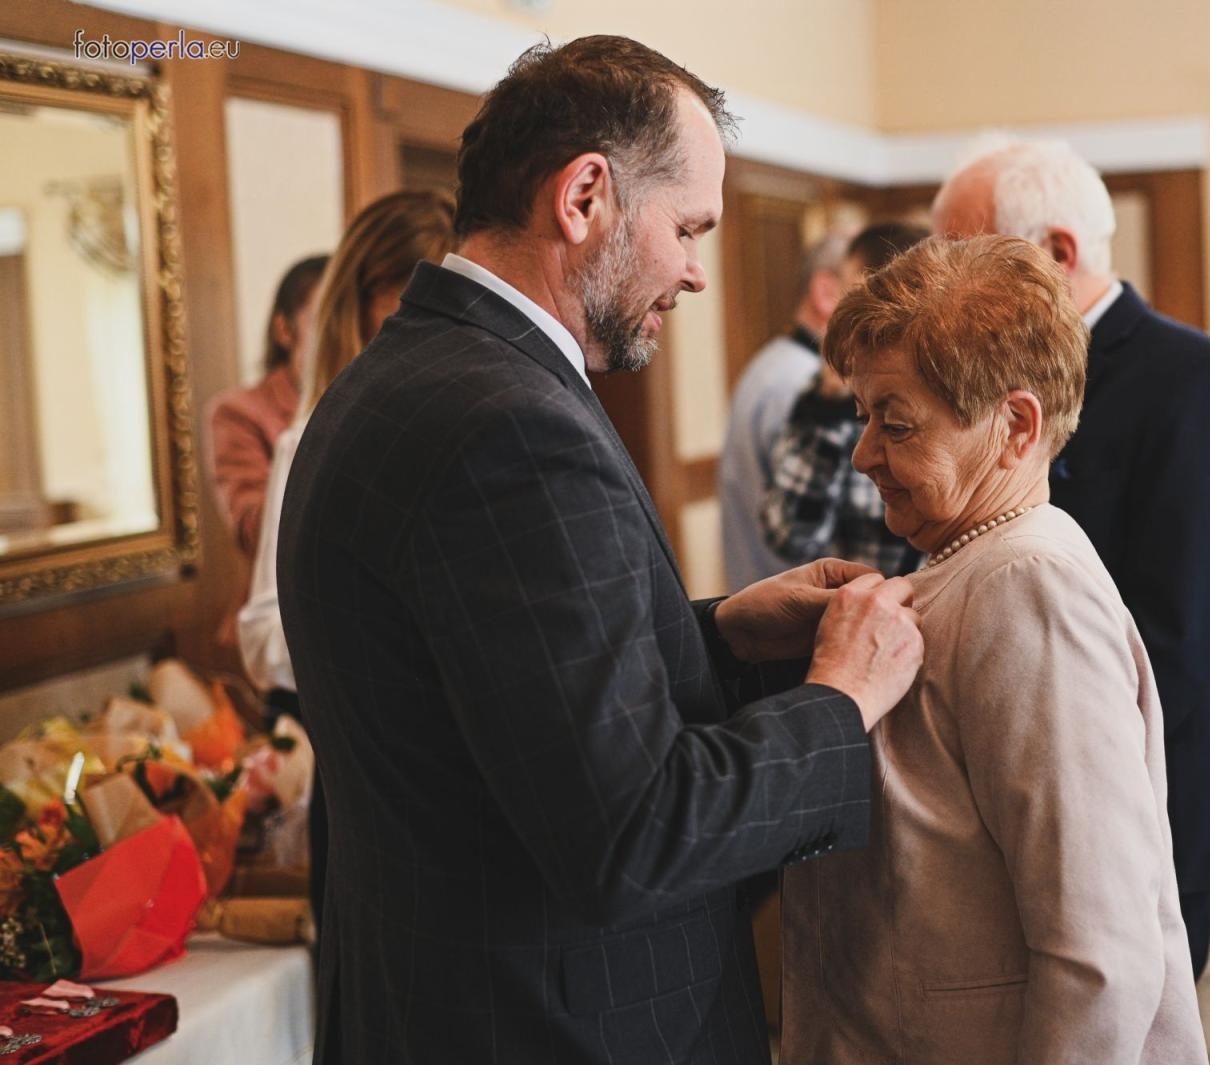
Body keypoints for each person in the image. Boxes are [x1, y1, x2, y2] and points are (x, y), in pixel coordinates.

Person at [276, 36, 923, 1065]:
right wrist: (838, 702)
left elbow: (503, 698)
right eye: (685, 228)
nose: (696, 274)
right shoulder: (507, 427)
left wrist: (721, 634)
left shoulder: (404, 373)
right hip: (554, 1025)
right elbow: (633, 832)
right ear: (584, 198)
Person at [782, 235, 1206, 1064]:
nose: (866, 453)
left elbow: (1101, 952)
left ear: (1015, 425)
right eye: (864, 416)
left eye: (895, 423)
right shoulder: (971, 553)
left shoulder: (1028, 584)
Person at [932, 139, 1210, 978]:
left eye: (962, 255)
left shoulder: (1201, 381)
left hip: (1150, 793)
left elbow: (1181, 634)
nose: (944, 282)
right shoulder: (996, 373)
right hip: (1024, 784)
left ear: (1056, 251)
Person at [239, 188, 456, 930]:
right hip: (362, 776)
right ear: (361, 304)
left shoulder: (475, 423)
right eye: (408, 303)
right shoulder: (313, 440)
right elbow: (262, 632)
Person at [762, 221, 928, 575]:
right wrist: (829, 407)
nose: (839, 317)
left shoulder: (944, 395)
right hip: (859, 609)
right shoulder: (821, 397)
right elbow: (789, 536)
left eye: (853, 300)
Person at [204, 254, 326, 645]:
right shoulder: (238, 412)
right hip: (276, 633)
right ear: (284, 330)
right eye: (324, 319)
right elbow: (254, 532)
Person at [720, 233, 849, 590]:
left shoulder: (773, 363)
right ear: (826, 292)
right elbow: (806, 526)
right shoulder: (802, 384)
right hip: (796, 615)